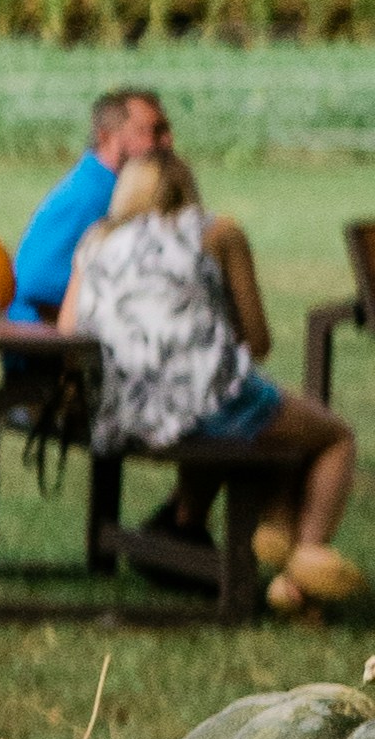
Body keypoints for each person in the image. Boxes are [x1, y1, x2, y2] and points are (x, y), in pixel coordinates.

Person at [59, 153, 360, 613]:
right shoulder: (217, 232)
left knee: (265, 419)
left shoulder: (96, 238)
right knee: (333, 436)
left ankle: (264, 529)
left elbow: (67, 330)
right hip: (203, 402)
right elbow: (257, 341)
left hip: (119, 408)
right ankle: (306, 558)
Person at [18, 85, 268, 351]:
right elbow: (34, 284)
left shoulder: (113, 192)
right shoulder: (90, 195)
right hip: (47, 353)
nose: (168, 141)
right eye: (154, 131)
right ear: (106, 137)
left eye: (167, 130)